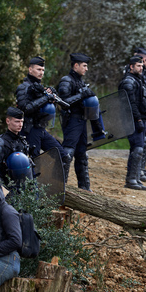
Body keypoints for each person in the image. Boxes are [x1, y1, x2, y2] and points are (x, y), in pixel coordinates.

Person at [58, 53, 105, 191]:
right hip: (72, 121)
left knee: (82, 156)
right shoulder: (66, 80)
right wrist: (81, 95)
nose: (86, 69)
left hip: (82, 121)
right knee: (67, 155)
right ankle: (61, 189)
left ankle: (85, 189)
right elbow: (63, 102)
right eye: (84, 66)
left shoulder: (80, 82)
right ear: (76, 65)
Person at [15, 56, 69, 165]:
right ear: (30, 70)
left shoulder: (40, 88)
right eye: (38, 69)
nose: (41, 72)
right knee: (33, 162)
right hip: (30, 130)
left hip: (41, 129)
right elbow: (24, 108)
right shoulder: (23, 87)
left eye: (43, 70)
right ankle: (33, 182)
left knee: (63, 156)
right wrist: (45, 98)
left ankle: (53, 182)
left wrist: (50, 96)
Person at [119, 56, 146, 190]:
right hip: (133, 120)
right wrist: (138, 119)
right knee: (137, 149)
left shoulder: (139, 80)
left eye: (141, 65)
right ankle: (131, 179)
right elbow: (130, 104)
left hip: (142, 118)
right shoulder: (129, 81)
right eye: (138, 66)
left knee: (140, 148)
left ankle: (136, 178)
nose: (141, 68)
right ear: (131, 66)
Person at [0, 107, 32, 189]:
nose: (20, 125)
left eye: (22, 122)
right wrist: (3, 192)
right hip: (7, 187)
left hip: (23, 188)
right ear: (7, 121)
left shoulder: (22, 142)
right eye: (17, 122)